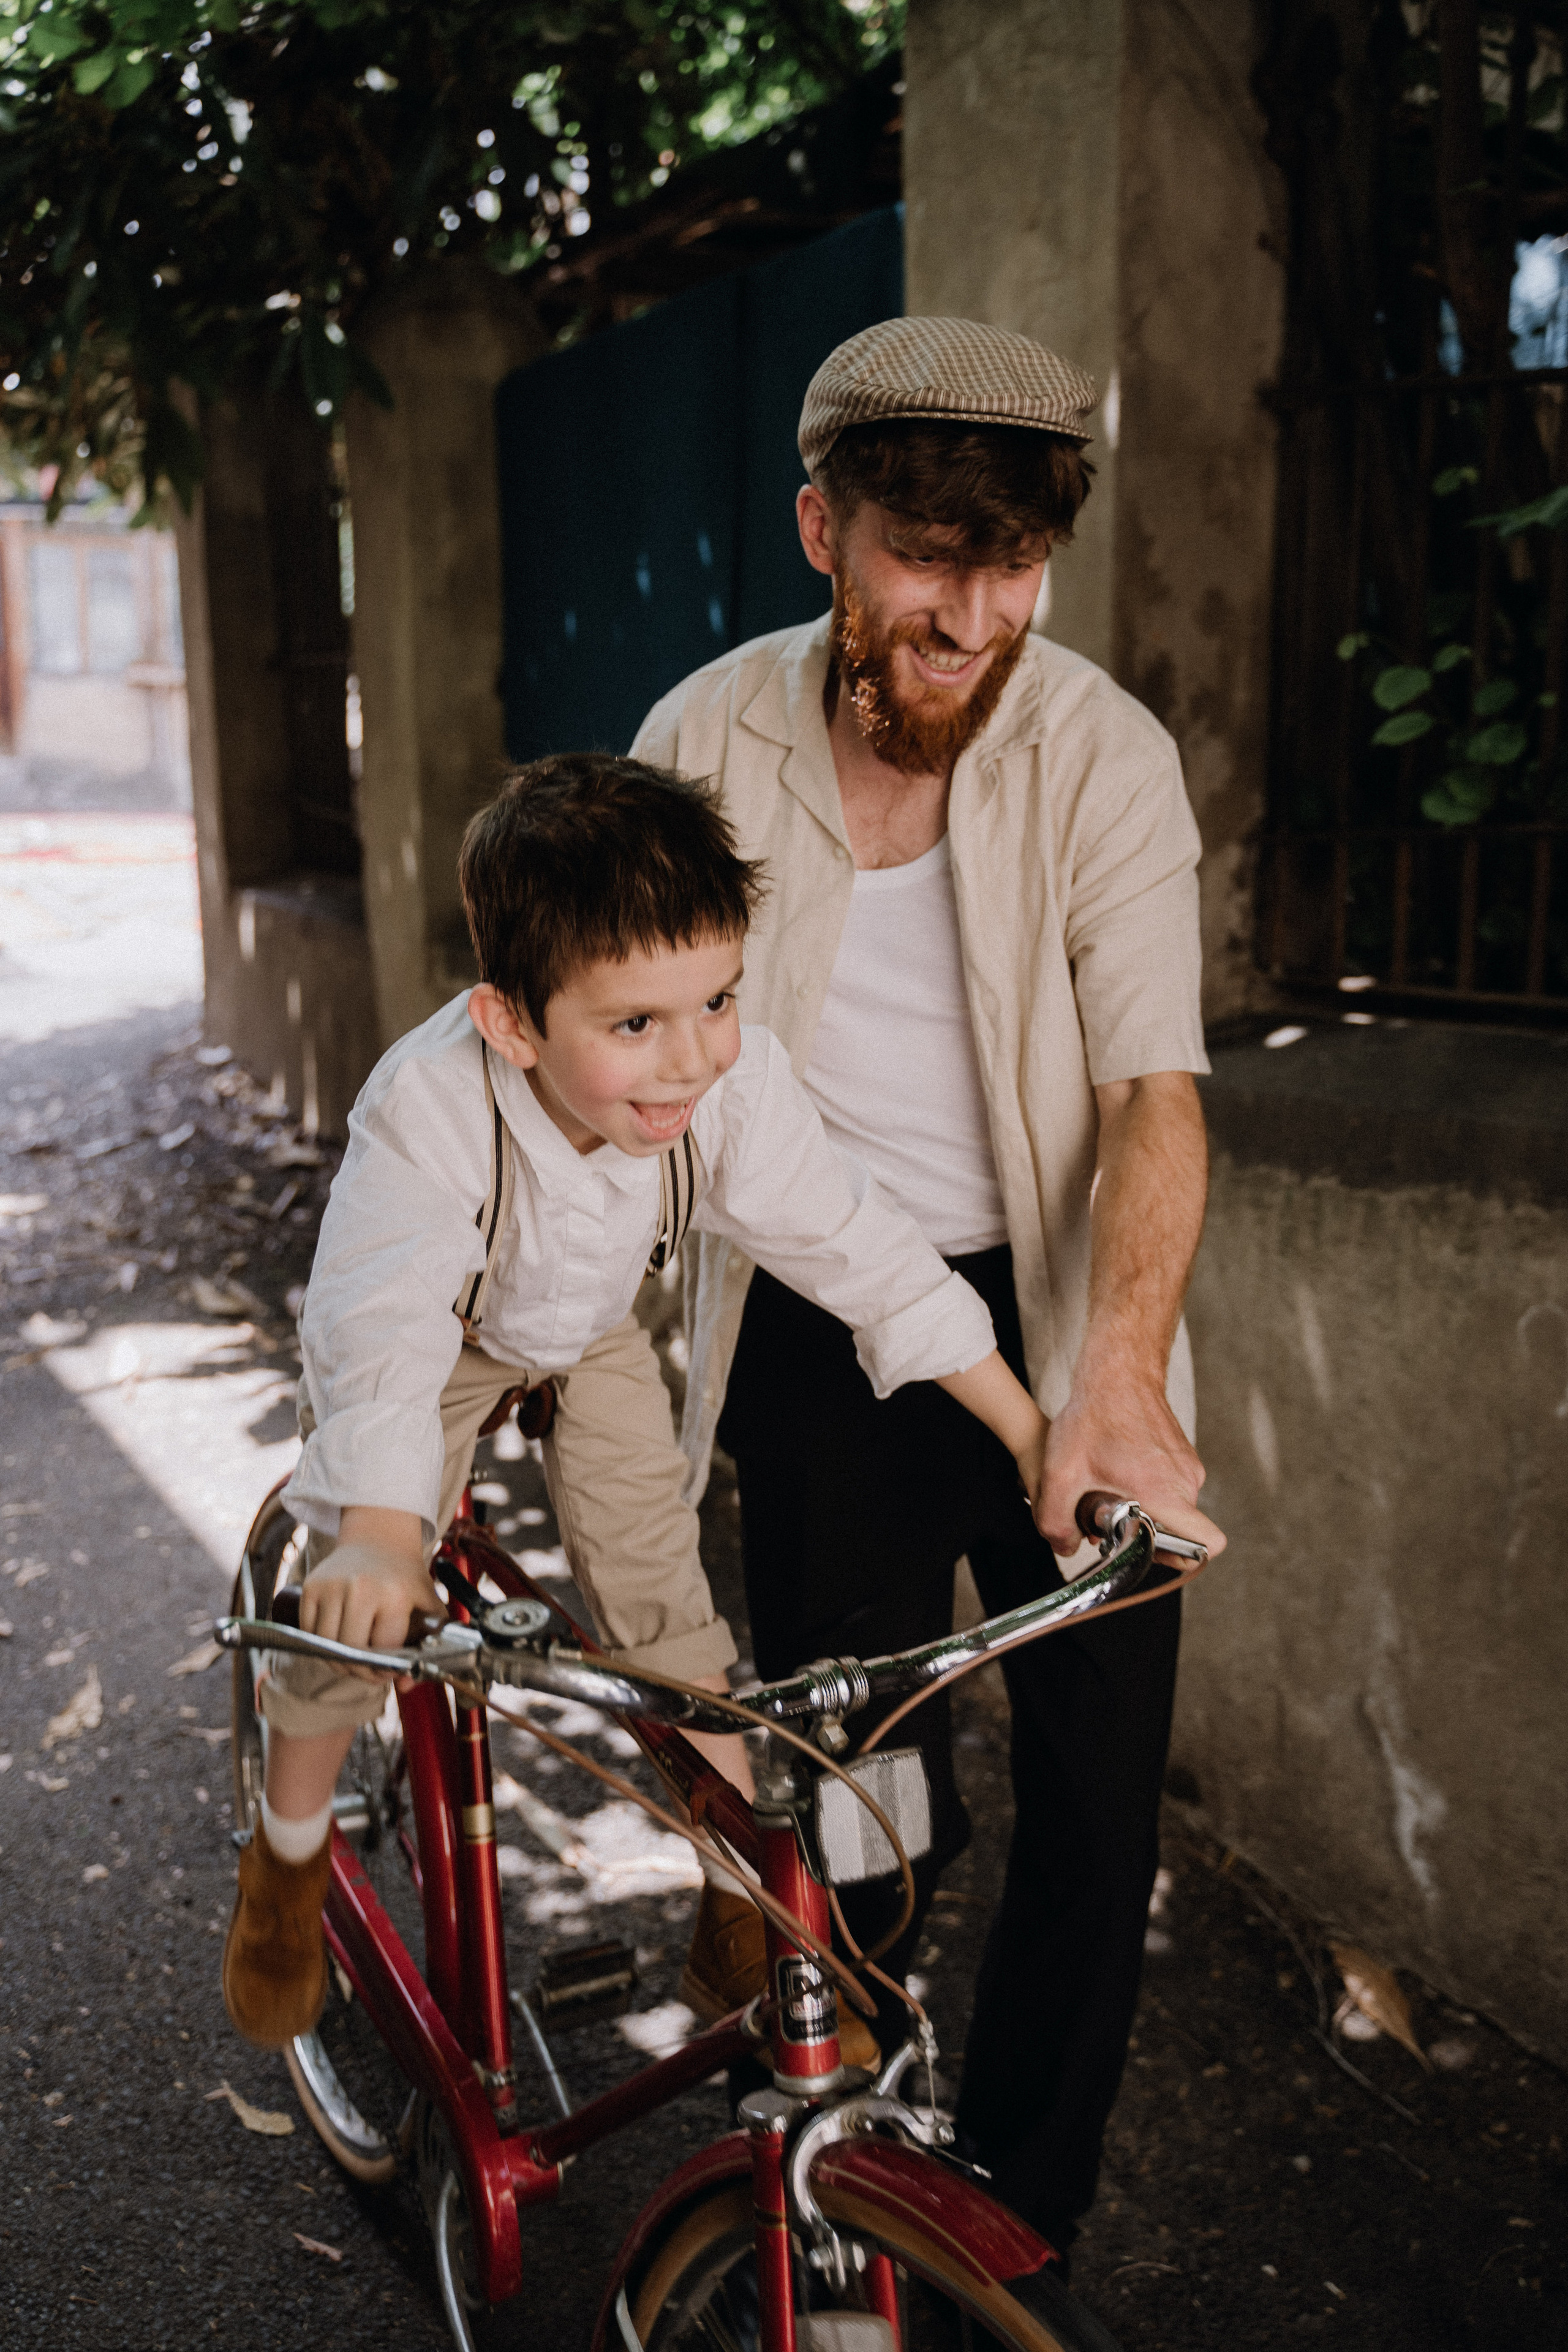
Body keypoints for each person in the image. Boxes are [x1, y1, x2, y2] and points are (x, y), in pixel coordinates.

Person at [631, 315, 1226, 2256]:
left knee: (1097, 1826)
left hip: (1064, 1325)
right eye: (927, 555)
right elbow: (622, 1072)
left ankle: (1009, 2239)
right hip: (822, 1342)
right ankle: (824, 2174)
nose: (976, 612)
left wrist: (1119, 1379)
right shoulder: (700, 742)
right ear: (823, 530)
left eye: (1017, 561)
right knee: (861, 1798)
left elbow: (1154, 1094)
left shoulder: (1104, 754)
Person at [221, 752, 1060, 2058]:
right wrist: (384, 1525)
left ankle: (736, 1905)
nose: (688, 1062)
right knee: (352, 1607)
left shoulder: (725, 1086)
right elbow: (374, 1329)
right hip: (438, 1334)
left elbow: (866, 1251)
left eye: (716, 999)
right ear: (511, 1024)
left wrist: (1024, 1428)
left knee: (664, 1599)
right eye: (633, 1027)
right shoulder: (430, 1109)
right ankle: (286, 1854)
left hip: (589, 1323)